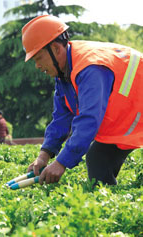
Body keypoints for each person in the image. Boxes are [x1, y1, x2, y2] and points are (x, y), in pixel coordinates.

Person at [22, 15, 143, 186]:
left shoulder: (89, 68)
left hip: (133, 115)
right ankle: (103, 209)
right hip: (126, 121)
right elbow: (62, 118)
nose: (37, 65)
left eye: (38, 58)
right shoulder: (65, 73)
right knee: (98, 161)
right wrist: (44, 154)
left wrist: (61, 163)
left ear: (56, 49)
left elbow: (88, 120)